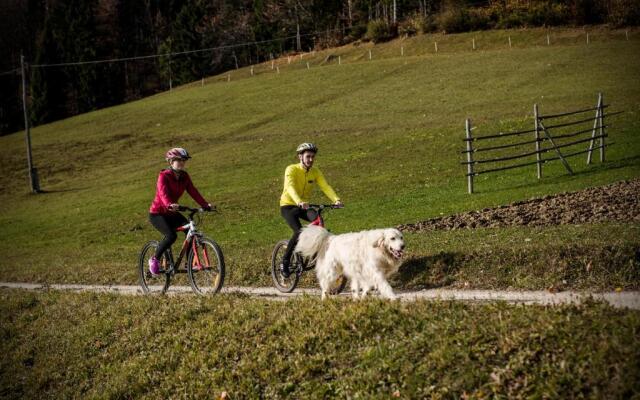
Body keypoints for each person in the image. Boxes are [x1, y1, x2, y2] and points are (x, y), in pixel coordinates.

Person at [279, 142, 343, 277]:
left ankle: (313, 251)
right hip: (289, 206)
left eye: (313, 157)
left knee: (319, 221)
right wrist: (298, 201)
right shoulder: (291, 169)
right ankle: (285, 261)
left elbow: (325, 186)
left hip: (304, 206)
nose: (311, 160)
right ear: (300, 157)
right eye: (308, 156)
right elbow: (289, 187)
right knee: (299, 231)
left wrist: (336, 200)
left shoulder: (315, 172)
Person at [148, 147, 213, 275]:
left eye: (183, 160)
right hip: (158, 213)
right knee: (171, 236)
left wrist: (205, 205)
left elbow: (193, 191)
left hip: (172, 213)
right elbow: (162, 193)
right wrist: (169, 204)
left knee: (189, 230)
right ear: (171, 162)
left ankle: (188, 263)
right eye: (178, 160)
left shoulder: (184, 176)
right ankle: (154, 259)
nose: (182, 162)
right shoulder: (163, 175)